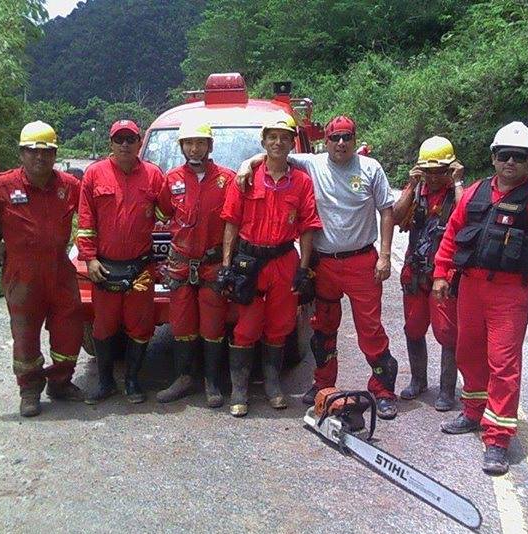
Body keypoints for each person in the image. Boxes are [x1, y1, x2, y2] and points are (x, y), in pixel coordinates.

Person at [432, 121, 528, 475]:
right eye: (504, 155)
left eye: (519, 156)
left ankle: (497, 438)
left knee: (503, 364)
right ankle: (473, 412)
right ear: (494, 157)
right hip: (471, 288)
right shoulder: (475, 192)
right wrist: (440, 274)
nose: (510, 162)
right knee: (468, 352)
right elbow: (452, 235)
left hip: (510, 293)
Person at [236, 115, 399, 419]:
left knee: (371, 329)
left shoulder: (370, 168)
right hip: (324, 263)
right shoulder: (312, 163)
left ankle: (383, 389)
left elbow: (386, 213)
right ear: (326, 140)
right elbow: (275, 151)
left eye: (346, 137)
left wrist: (385, 255)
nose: (340, 143)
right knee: (323, 328)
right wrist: (249, 163)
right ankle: (323, 385)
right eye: (335, 137)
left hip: (362, 261)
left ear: (354, 139)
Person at [0, 121, 83, 417]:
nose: (40, 158)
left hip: (60, 272)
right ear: (21, 154)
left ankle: (61, 382)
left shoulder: (69, 186)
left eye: (47, 152)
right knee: (25, 335)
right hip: (22, 276)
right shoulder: (2, 185)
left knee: (70, 328)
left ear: (55, 154)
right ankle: (29, 391)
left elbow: (94, 211)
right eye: (32, 152)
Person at [219, 114, 322, 417]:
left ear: (292, 143)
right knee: (246, 327)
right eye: (272, 137)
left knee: (280, 326)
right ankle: (239, 390)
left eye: (284, 137)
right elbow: (231, 223)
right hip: (249, 262)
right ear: (263, 142)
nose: (278, 142)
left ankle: (273, 385)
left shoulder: (302, 182)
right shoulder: (245, 178)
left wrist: (303, 269)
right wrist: (226, 265)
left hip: (283, 261)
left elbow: (307, 228)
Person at [77, 120, 165, 405]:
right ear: (111, 144)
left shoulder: (154, 175)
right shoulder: (94, 174)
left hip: (141, 269)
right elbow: (86, 222)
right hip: (104, 268)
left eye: (130, 139)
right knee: (103, 327)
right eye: (119, 139)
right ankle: (105, 383)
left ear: (140, 143)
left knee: (140, 326)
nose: (125, 144)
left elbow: (169, 213)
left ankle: (132, 381)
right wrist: (89, 259)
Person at [154, 121, 235, 407]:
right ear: (182, 147)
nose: (194, 148)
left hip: (212, 264)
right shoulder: (171, 179)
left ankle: (212, 382)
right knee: (181, 323)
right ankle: (183, 378)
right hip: (180, 265)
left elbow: (235, 221)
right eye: (189, 143)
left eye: (200, 142)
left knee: (213, 326)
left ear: (210, 146)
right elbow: (163, 212)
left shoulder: (228, 179)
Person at [394, 136, 464, 412]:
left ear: (450, 169)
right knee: (413, 328)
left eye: (440, 171)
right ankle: (418, 380)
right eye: (429, 171)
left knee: (447, 333)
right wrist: (412, 185)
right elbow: (398, 216)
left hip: (443, 275)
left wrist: (457, 182)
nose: (434, 177)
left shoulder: (456, 193)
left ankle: (447, 390)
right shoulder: (417, 192)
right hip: (415, 272)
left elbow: (467, 217)